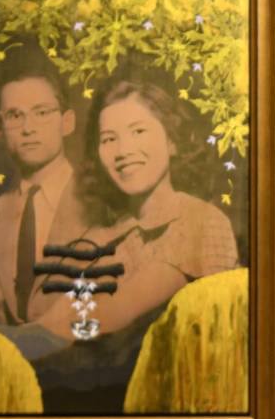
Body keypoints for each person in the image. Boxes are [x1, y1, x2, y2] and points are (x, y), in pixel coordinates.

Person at [29, 71, 239, 347]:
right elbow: (46, 316)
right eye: (109, 139)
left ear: (172, 141)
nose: (123, 151)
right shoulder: (107, 234)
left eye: (138, 131)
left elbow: (114, 313)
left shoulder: (201, 220)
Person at [0, 50, 87, 327]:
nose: (28, 128)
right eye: (14, 116)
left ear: (67, 122)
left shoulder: (108, 205)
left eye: (41, 112)